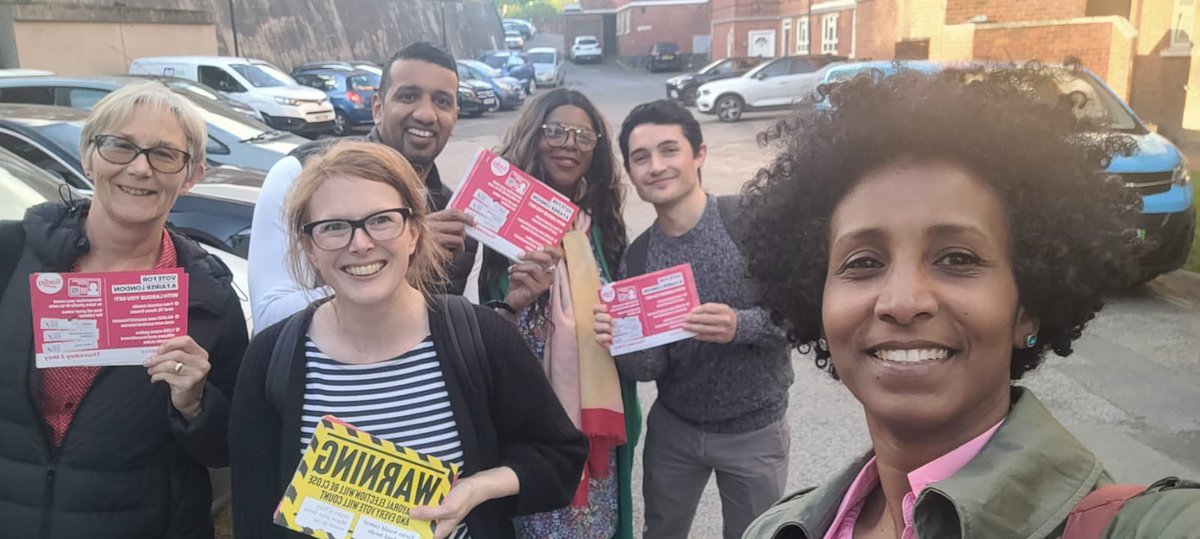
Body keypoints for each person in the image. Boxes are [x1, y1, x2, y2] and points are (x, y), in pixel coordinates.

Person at [739, 64, 1200, 538]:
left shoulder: (1141, 527)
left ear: (1027, 307)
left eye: (957, 257)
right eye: (863, 263)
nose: (902, 301)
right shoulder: (777, 528)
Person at [229, 141, 588, 539]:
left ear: (415, 232)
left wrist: (478, 488)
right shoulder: (271, 359)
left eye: (382, 220)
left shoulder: (481, 337)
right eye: (333, 227)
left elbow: (562, 456)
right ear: (309, 248)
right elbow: (253, 517)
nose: (360, 242)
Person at [0, 83, 247, 537]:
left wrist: (194, 404)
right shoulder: (9, 255)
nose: (139, 168)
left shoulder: (209, 299)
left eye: (164, 154)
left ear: (191, 175)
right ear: (87, 155)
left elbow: (227, 446)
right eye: (120, 146)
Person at [592, 100, 793, 539]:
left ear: (698, 154)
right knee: (660, 531)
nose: (656, 167)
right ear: (630, 170)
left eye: (669, 150)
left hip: (754, 431)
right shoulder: (640, 256)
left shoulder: (746, 221)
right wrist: (621, 341)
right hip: (676, 429)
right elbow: (650, 369)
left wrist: (741, 326)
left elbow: (801, 318)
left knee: (755, 535)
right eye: (641, 158)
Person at [477, 88, 642, 539]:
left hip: (594, 425)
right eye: (555, 131)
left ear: (595, 152)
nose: (568, 143)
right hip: (530, 420)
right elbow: (486, 329)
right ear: (534, 135)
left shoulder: (600, 226)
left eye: (583, 136)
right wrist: (514, 297)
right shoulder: (500, 225)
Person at [249, 41, 478, 332]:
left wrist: (510, 305)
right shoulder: (299, 174)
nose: (426, 114)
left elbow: (456, 329)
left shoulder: (455, 216)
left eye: (442, 101)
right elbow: (270, 318)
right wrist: (398, 261)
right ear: (378, 108)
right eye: (409, 96)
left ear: (455, 116)